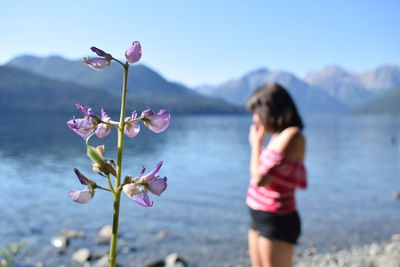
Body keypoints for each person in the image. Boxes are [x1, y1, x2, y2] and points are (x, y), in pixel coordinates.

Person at [246, 83, 307, 267]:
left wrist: (256, 145)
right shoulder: (276, 136)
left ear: (270, 109)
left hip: (277, 219)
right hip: (258, 215)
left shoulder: (292, 135)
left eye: (257, 111)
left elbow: (259, 179)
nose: (255, 118)